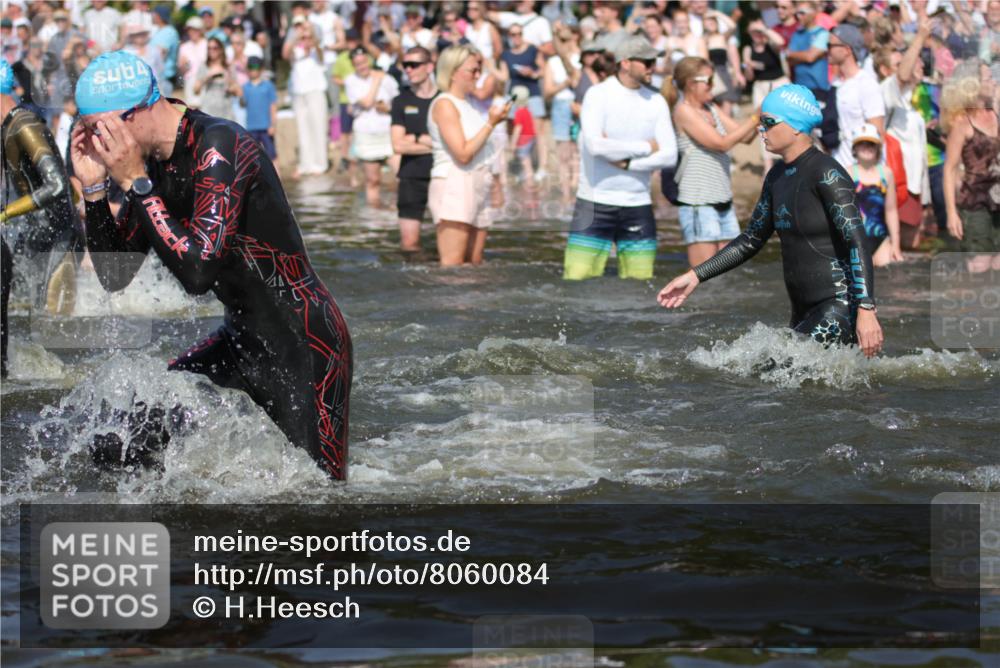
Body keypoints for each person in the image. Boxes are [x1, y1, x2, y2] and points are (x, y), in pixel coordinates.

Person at [70, 51, 352, 479]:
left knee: (318, 501)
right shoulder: (151, 167)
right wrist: (93, 188)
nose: (99, 145)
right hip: (239, 344)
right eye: (89, 132)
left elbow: (198, 272)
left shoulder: (219, 145)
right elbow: (114, 275)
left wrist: (134, 184)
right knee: (121, 442)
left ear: (139, 110)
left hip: (304, 347)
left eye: (102, 130)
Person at [657, 84, 883, 357]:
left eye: (768, 122)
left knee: (782, 375)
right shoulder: (776, 177)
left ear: (796, 126)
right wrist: (695, 275)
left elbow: (857, 241)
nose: (760, 129)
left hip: (838, 308)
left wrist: (866, 308)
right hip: (802, 311)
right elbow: (751, 239)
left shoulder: (827, 173)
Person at [564, 35, 678, 281]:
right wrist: (647, 147)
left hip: (638, 204)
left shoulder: (656, 100)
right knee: (576, 281)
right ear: (625, 63)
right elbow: (595, 145)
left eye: (654, 62)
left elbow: (670, 155)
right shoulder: (597, 95)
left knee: (641, 285)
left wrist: (628, 162)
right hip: (594, 203)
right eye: (647, 62)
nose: (653, 67)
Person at [0, 60, 79, 378]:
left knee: (56, 329)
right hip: (33, 237)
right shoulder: (7, 127)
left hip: (60, 238)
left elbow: (59, 186)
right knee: (24, 314)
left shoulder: (25, 125)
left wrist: (5, 214)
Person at [666, 56, 759, 268]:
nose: (714, 86)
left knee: (731, 273)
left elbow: (745, 137)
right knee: (705, 277)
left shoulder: (711, 108)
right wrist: (755, 117)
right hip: (698, 203)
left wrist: (763, 116)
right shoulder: (683, 111)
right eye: (708, 80)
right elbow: (720, 143)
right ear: (691, 83)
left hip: (723, 200)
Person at [427, 45, 511, 266]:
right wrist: (491, 123)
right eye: (472, 70)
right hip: (455, 181)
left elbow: (484, 151)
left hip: (478, 181)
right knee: (453, 265)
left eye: (479, 70)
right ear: (453, 72)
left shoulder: (468, 105)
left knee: (474, 264)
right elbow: (462, 153)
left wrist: (496, 186)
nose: (478, 76)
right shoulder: (445, 104)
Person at [942, 70, 1000, 273]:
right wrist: (951, 212)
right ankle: (974, 304)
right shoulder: (962, 123)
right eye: (988, 78)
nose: (993, 80)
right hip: (975, 202)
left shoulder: (997, 113)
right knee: (980, 265)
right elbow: (949, 169)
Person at [390, 46, 437, 252]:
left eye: (414, 65)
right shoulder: (401, 101)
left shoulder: (443, 100)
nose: (408, 70)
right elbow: (398, 145)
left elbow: (454, 144)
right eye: (405, 65)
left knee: (449, 245)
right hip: (411, 176)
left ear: (429, 67)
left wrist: (415, 139)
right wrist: (431, 142)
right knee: (409, 244)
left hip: (442, 175)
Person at [345, 47, 399, 206]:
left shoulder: (387, 79)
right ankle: (374, 215)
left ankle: (397, 207)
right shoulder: (351, 80)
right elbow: (367, 102)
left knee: (401, 174)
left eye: (363, 62)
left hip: (387, 131)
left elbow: (396, 103)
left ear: (369, 60)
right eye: (357, 64)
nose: (362, 67)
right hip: (366, 132)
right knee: (373, 179)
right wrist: (376, 80)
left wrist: (386, 108)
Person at [828, 23, 885, 169]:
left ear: (847, 50)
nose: (826, 49)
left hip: (862, 173)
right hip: (839, 169)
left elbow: (877, 133)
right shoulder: (835, 83)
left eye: (831, 45)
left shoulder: (866, 84)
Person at [848, 123, 903, 266]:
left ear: (878, 148)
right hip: (855, 241)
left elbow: (891, 211)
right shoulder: (847, 173)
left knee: (890, 277)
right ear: (854, 148)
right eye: (862, 144)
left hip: (881, 239)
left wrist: (896, 245)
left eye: (871, 144)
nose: (867, 147)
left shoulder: (886, 174)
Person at [786, 1, 836, 150]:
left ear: (813, 13)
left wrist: (796, 56)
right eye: (797, 13)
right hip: (800, 90)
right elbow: (790, 58)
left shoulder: (822, 33)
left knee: (821, 135)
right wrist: (802, 55)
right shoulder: (797, 34)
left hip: (819, 90)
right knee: (802, 135)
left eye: (802, 12)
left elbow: (810, 56)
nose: (798, 16)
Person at [283, 18, 330, 177]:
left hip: (315, 91)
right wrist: (297, 36)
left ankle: (320, 164)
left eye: (307, 37)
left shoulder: (317, 49)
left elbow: (321, 52)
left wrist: (311, 35)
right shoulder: (295, 50)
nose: (305, 40)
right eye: (304, 37)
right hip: (299, 92)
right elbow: (284, 54)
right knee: (303, 129)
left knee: (318, 127)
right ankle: (305, 164)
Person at [743, 19, 789, 172]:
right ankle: (767, 164)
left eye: (758, 31)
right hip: (760, 86)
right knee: (763, 124)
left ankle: (788, 156)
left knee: (785, 121)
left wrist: (764, 29)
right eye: (753, 31)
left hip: (778, 83)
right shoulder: (748, 49)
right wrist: (749, 67)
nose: (756, 34)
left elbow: (781, 42)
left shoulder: (771, 44)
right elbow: (749, 77)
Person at [240, 56, 278, 170]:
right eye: (250, 67)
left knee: (272, 154)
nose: (253, 70)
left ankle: (278, 179)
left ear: (261, 69)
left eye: (256, 67)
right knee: (251, 156)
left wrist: (273, 124)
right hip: (251, 127)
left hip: (265, 127)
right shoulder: (245, 87)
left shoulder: (268, 85)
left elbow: (273, 106)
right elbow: (242, 104)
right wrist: (239, 94)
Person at [194, 37, 240, 122]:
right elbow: (196, 90)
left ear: (220, 49)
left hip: (226, 110)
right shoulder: (204, 66)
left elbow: (238, 92)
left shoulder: (228, 66)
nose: (211, 50)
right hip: (208, 110)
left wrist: (227, 79)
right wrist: (208, 76)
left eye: (215, 48)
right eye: (209, 48)